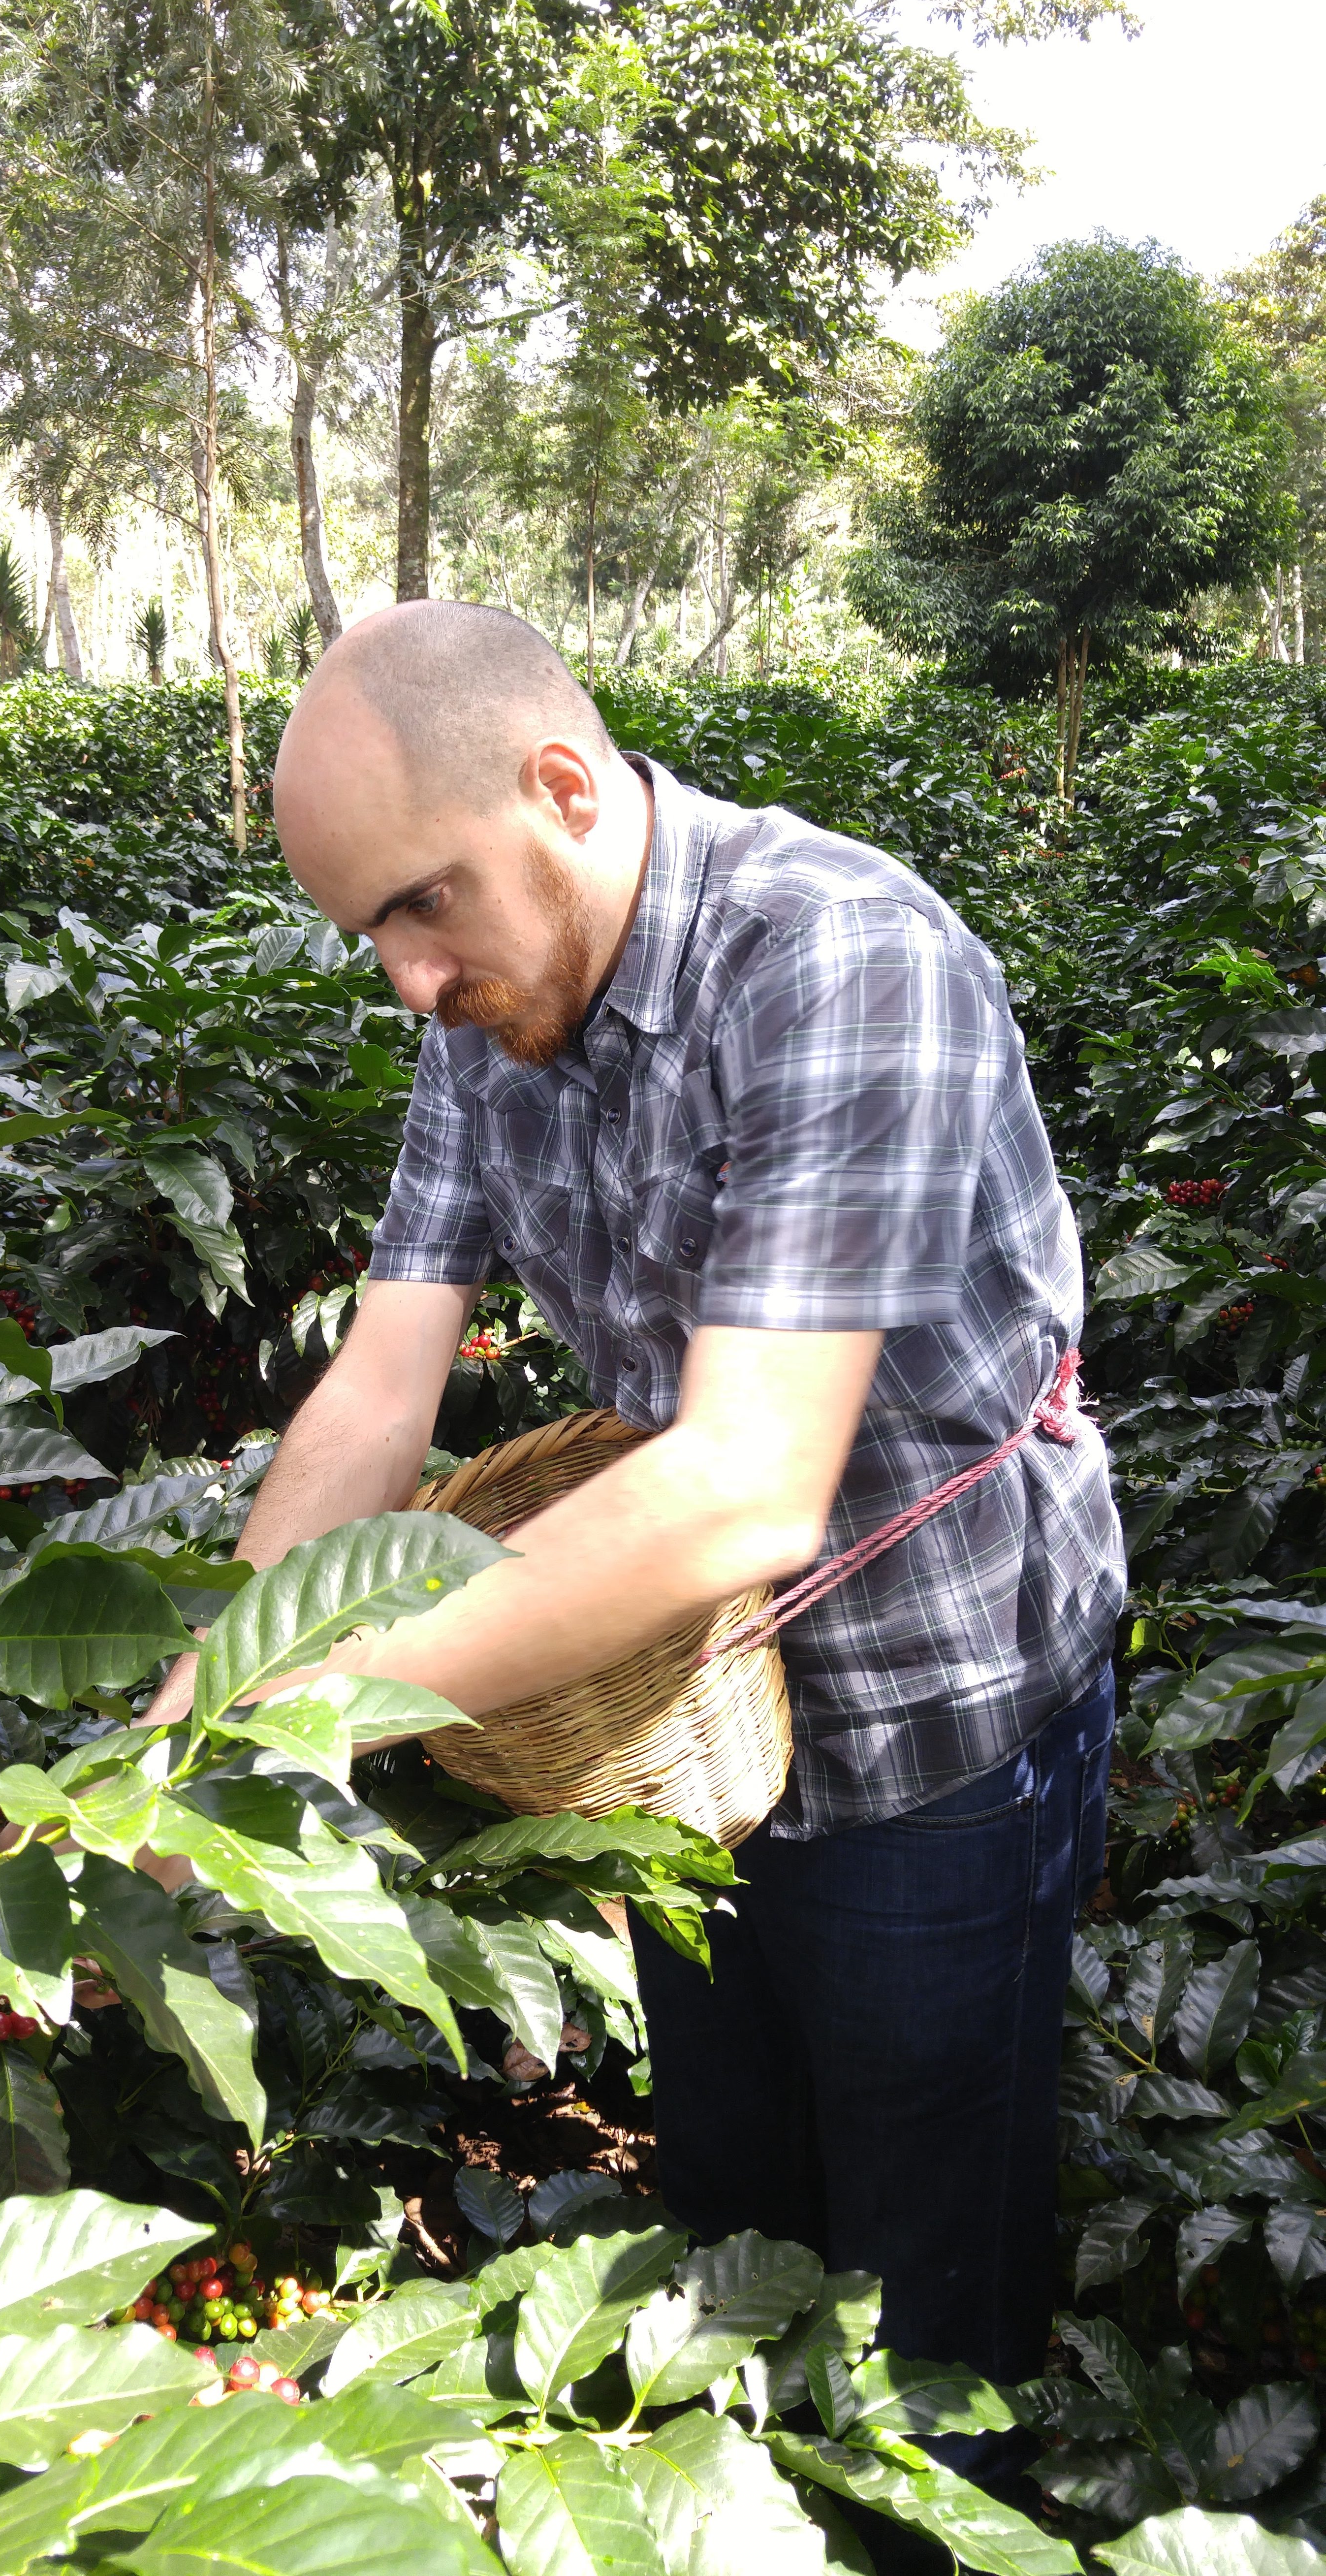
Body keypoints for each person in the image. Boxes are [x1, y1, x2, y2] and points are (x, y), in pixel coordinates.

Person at [147, 599, 1124, 2465]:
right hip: (673, 1725)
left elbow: (749, 1478)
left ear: (565, 789)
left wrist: (302, 1714)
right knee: (740, 2192)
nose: (405, 982)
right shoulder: (485, 1020)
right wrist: (222, 1674)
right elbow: (383, 1383)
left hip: (935, 1711)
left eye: (421, 905)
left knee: (924, 2258)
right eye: (368, 932)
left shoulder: (838, 958)